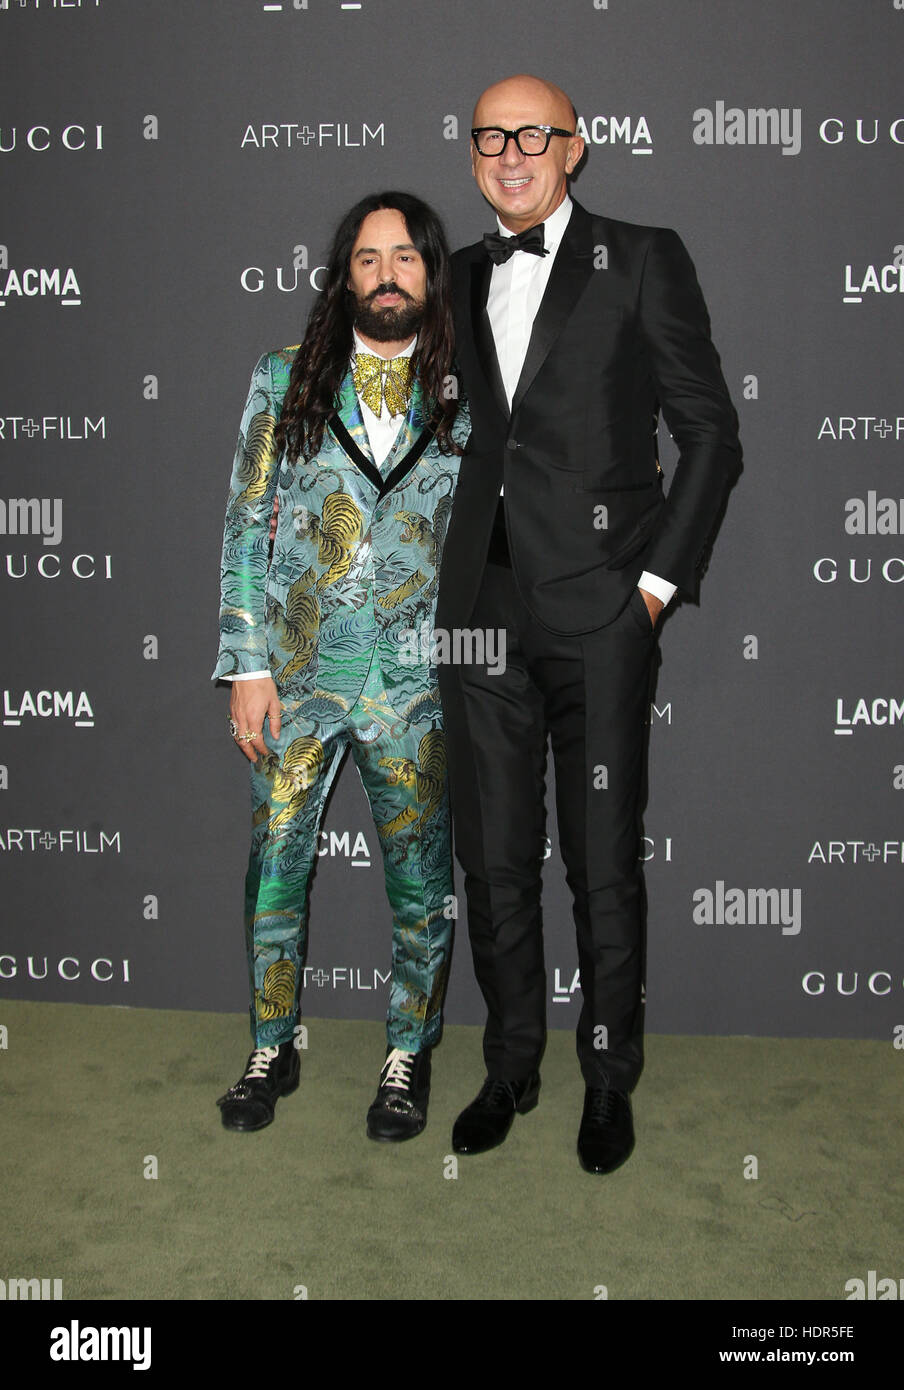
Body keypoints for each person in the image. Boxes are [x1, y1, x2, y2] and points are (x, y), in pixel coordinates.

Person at [436, 75, 741, 1173]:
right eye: (490, 136)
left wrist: (653, 591)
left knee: (601, 865)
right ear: (471, 153)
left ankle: (606, 1078)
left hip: (602, 609)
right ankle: (509, 1062)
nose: (510, 153)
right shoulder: (454, 276)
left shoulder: (642, 256)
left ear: (575, 147)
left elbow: (710, 433)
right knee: (494, 860)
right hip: (474, 615)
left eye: (532, 135)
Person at [213, 191, 466, 1141]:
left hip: (415, 685)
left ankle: (410, 1053)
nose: (387, 273)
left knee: (419, 878)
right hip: (297, 677)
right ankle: (270, 1045)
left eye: (405, 257)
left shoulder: (465, 389)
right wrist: (245, 663)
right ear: (344, 274)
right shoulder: (286, 378)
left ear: (429, 274)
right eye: (368, 258)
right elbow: (247, 521)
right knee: (275, 869)